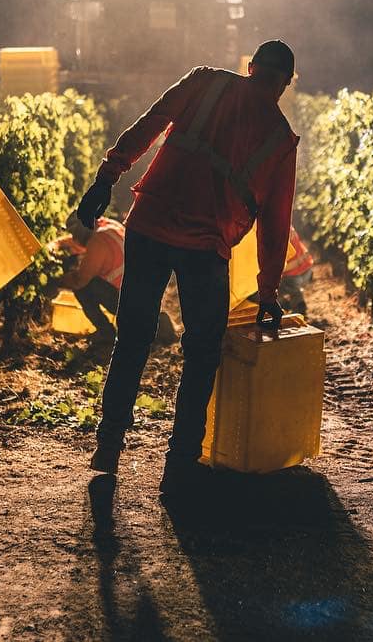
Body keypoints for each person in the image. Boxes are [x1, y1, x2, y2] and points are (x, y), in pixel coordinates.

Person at [77, 39, 299, 497]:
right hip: (206, 247)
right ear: (286, 86)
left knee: (133, 338)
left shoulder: (205, 81)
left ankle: (109, 444)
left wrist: (107, 176)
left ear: (251, 67)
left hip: (150, 224)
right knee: (201, 354)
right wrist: (269, 291)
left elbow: (150, 125)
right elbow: (275, 225)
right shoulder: (281, 138)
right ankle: (180, 463)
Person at [53, 215, 127, 342]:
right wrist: (56, 244)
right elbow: (74, 242)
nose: (74, 238)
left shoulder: (98, 242)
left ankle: (106, 334)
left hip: (123, 300)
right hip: (136, 294)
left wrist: (57, 280)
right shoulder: (108, 226)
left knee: (83, 288)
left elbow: (80, 280)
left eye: (75, 233)